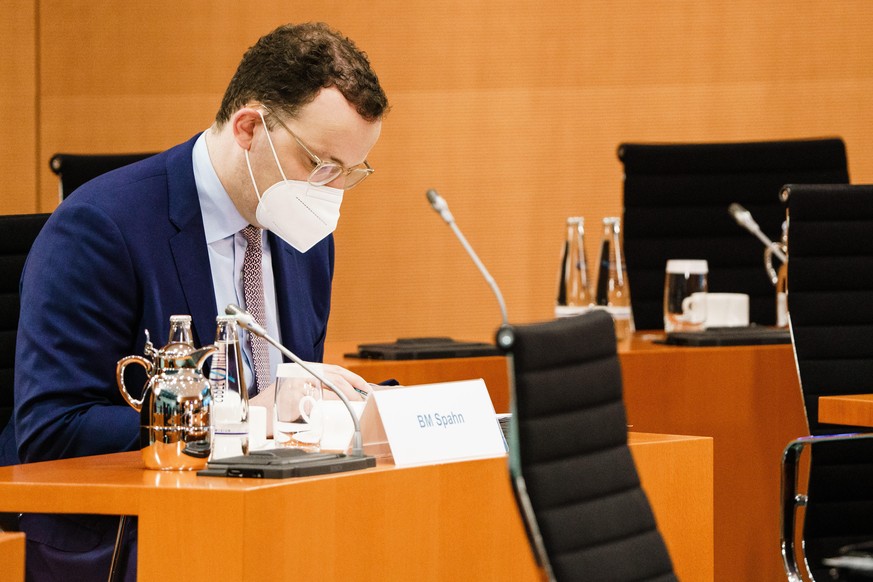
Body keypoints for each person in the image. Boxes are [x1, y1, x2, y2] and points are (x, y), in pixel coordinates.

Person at [0, 22, 388, 580]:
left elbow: (285, 411)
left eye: (350, 174)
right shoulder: (99, 227)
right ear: (250, 127)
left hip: (264, 526)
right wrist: (241, 418)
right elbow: (51, 429)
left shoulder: (304, 237)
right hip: (127, 542)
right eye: (320, 165)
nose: (329, 192)